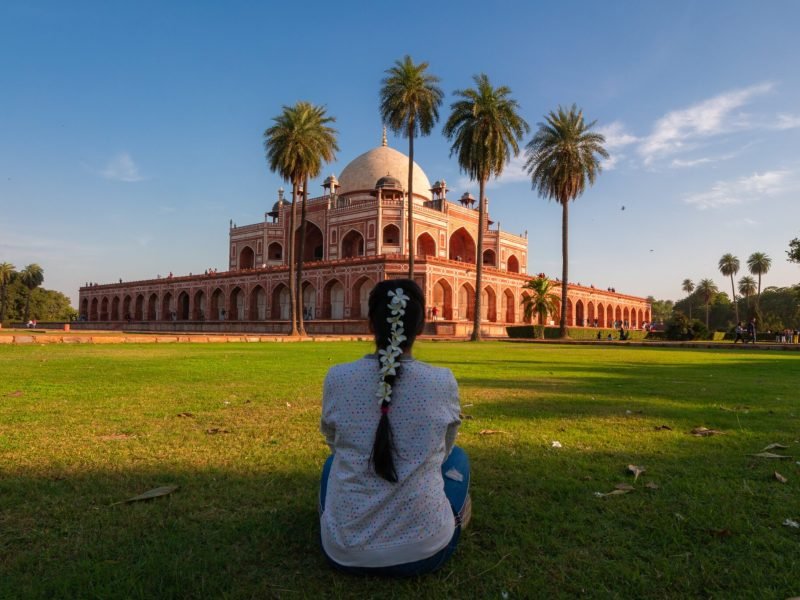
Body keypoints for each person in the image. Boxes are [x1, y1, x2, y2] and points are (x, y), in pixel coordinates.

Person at [319, 279, 470, 576]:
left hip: (344, 551)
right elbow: (446, 448)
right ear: (421, 327)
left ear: (370, 326)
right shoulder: (441, 381)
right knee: (458, 459)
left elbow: (334, 443)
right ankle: (449, 517)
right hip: (425, 551)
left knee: (331, 466)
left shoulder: (338, 377)